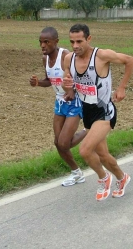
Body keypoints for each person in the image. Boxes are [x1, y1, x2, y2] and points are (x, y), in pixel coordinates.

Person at [63, 23, 133, 201]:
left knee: (85, 150)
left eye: (79, 41)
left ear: (89, 39)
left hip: (105, 112)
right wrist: (68, 88)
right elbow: (68, 81)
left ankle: (104, 178)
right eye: (72, 41)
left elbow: (130, 61)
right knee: (103, 155)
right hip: (87, 112)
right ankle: (122, 177)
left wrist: (122, 87)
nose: (75, 46)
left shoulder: (101, 56)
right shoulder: (68, 59)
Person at [29, 27, 87, 187]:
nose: (42, 45)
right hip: (60, 101)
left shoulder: (65, 56)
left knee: (64, 143)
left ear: (56, 41)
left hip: (74, 101)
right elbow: (50, 80)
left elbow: (80, 76)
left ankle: (90, 131)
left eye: (46, 42)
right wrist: (37, 83)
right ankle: (77, 174)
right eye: (40, 42)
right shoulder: (45, 59)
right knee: (58, 142)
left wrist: (71, 91)